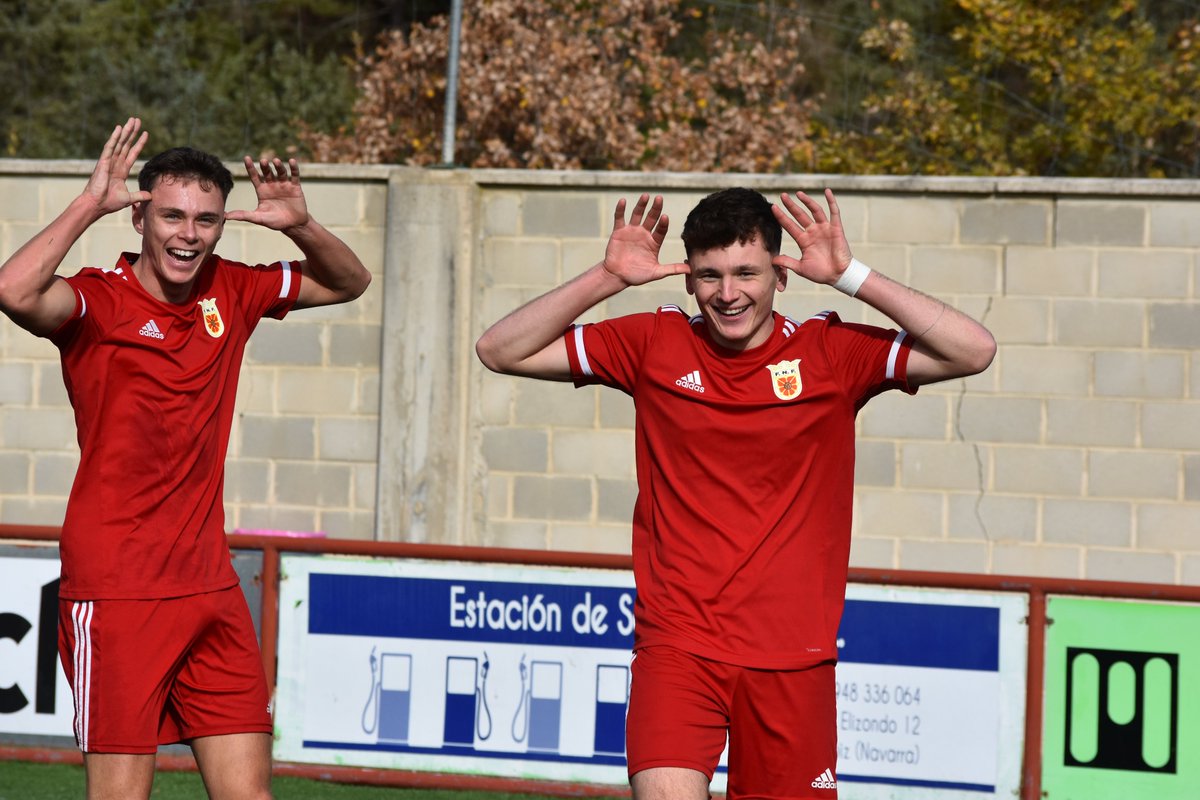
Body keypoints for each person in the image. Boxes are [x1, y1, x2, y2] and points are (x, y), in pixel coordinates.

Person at [475, 187, 995, 799]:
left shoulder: (830, 353)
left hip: (794, 657)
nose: (728, 293)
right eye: (709, 275)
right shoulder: (653, 342)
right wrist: (607, 278)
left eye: (746, 273)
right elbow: (498, 350)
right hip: (678, 645)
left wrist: (850, 276)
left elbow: (975, 350)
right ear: (688, 279)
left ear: (781, 274)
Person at [0, 118, 371, 799]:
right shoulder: (96, 300)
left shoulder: (234, 289)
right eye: (171, 215)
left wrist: (302, 226)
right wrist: (88, 203)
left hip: (210, 587)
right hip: (118, 588)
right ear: (140, 217)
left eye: (206, 219)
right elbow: (14, 290)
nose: (188, 234)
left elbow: (350, 282)